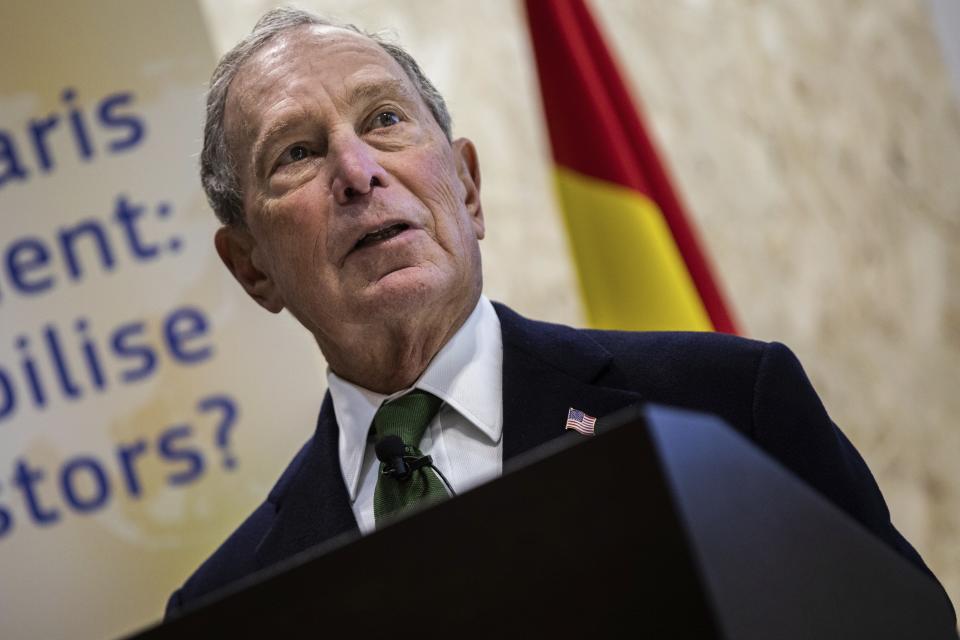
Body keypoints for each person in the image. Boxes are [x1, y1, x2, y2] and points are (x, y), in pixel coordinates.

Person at [166, 7, 951, 619]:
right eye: (295, 153)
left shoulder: (726, 403)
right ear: (250, 268)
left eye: (383, 119)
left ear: (468, 190)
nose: (358, 171)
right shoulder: (227, 604)